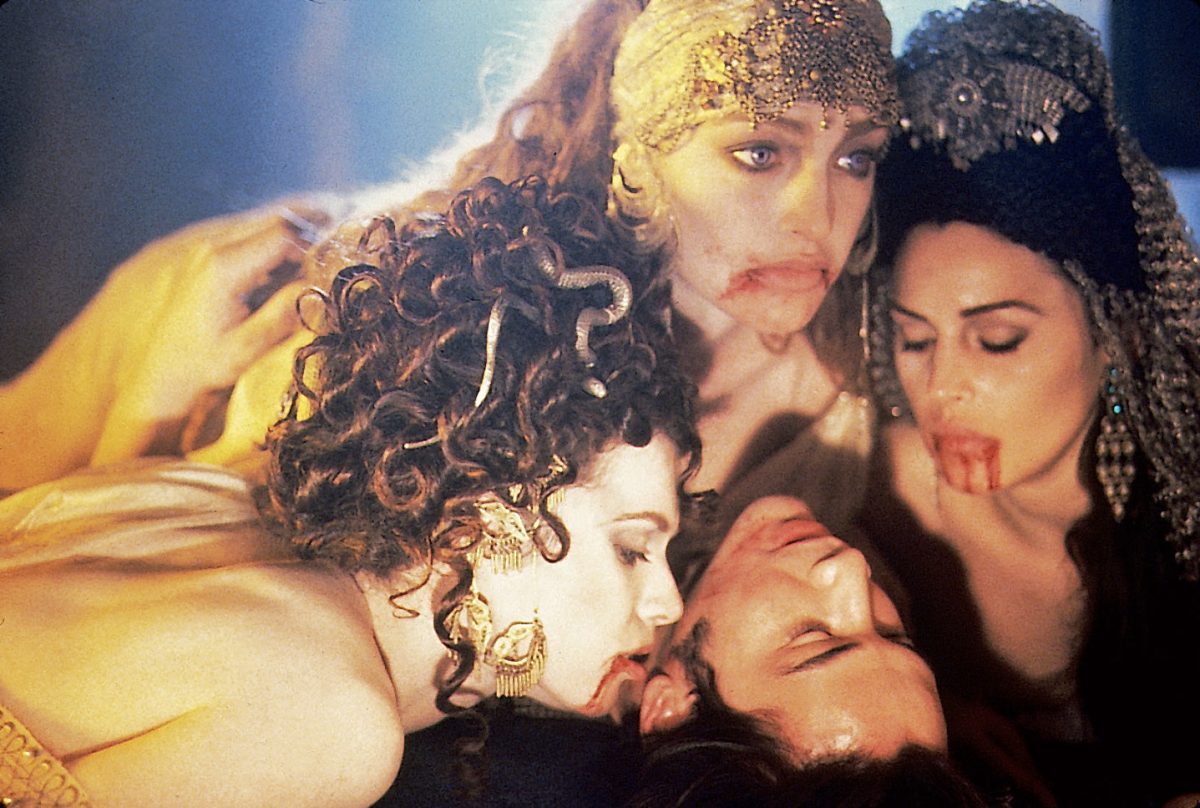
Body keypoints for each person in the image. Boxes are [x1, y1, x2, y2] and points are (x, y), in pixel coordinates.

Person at [0, 176, 701, 806]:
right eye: (631, 549)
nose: (667, 604)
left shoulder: (208, 500)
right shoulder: (331, 720)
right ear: (477, 516)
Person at [861, 2, 1200, 805]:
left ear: (1121, 335)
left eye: (998, 340)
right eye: (914, 339)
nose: (941, 387)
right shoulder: (884, 501)